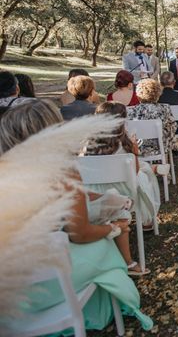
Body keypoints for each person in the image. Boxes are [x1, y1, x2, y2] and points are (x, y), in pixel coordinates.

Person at [0, 100, 153, 329]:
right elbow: (80, 234)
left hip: (9, 287)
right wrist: (114, 229)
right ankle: (116, 284)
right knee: (105, 247)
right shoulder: (63, 173)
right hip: (50, 282)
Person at [85, 102, 164, 232]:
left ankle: (152, 168)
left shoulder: (88, 144)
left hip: (96, 191)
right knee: (144, 176)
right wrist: (136, 152)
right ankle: (148, 220)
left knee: (144, 171)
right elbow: (135, 172)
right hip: (125, 192)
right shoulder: (126, 144)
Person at [126, 78, 177, 158]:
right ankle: (163, 165)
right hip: (161, 147)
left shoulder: (132, 110)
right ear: (158, 94)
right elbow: (173, 126)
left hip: (139, 148)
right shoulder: (165, 108)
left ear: (138, 95)